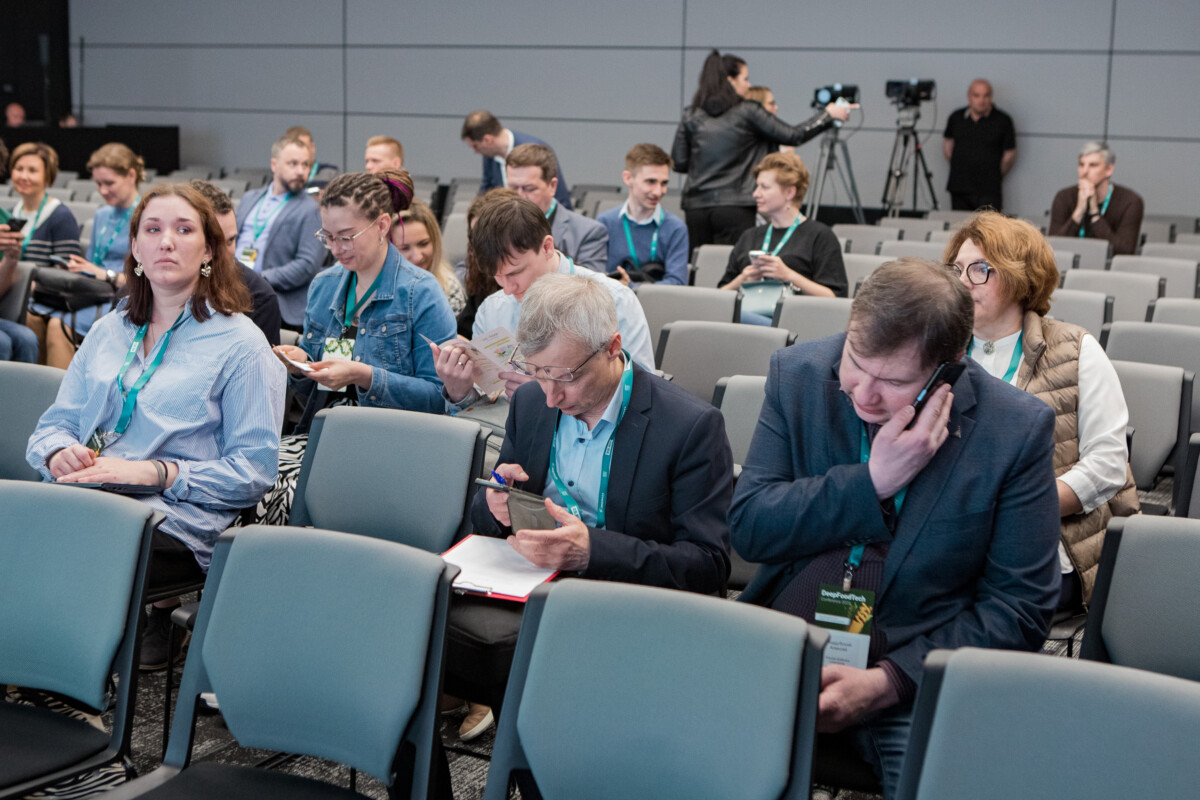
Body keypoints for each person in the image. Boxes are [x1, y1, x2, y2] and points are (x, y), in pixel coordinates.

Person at [730, 259, 1060, 798]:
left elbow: (1019, 608)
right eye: (855, 364)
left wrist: (890, 681)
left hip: (912, 661)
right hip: (787, 638)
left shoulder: (1014, 430)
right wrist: (871, 483)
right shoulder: (799, 375)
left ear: (949, 367)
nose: (864, 394)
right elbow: (750, 528)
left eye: (894, 381)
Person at [454, 272, 733, 742]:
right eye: (538, 372)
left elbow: (708, 565)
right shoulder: (531, 403)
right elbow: (488, 510)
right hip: (535, 589)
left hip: (630, 602)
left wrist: (591, 551)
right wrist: (495, 505)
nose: (551, 395)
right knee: (419, 632)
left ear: (612, 348)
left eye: (566, 376)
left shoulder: (689, 427)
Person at [26, 183, 286, 668]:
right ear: (135, 248)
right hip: (87, 495)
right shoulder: (109, 329)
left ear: (208, 251)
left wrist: (156, 472)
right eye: (153, 229)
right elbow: (53, 426)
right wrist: (58, 452)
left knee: (66, 550)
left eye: (184, 230)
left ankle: (71, 684)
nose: (166, 241)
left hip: (172, 518)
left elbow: (252, 473)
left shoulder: (242, 346)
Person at [945, 211, 1138, 610]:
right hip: (950, 535)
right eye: (956, 270)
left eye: (979, 269)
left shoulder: (1076, 350)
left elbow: (1107, 465)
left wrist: (1018, 508)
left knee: (957, 605)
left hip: (1046, 544)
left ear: (1020, 277)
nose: (963, 282)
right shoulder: (939, 348)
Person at [261, 170, 456, 523]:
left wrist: (364, 376)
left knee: (284, 497)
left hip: (393, 445)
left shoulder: (420, 292)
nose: (336, 249)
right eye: (328, 237)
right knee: (250, 481)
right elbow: (313, 392)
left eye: (347, 237)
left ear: (382, 225)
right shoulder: (324, 285)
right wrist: (301, 366)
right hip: (325, 436)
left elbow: (439, 399)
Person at [431, 194, 654, 413]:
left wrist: (548, 389)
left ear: (547, 247)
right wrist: (461, 393)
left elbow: (640, 394)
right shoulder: (492, 309)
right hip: (507, 429)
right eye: (496, 276)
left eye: (515, 273)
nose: (508, 289)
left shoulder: (615, 299)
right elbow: (485, 409)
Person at [671, 50, 853, 247]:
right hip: (737, 205)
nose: (748, 85)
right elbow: (793, 135)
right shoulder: (748, 110)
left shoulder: (691, 114)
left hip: (696, 206)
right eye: (745, 79)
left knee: (700, 262)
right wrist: (827, 115)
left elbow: (679, 162)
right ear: (731, 80)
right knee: (737, 262)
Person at [21, 143, 141, 368]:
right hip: (94, 292)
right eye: (98, 184)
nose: (103, 191)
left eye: (109, 183)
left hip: (127, 296)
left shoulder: (145, 216)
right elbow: (93, 263)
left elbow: (143, 278)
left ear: (131, 175)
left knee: (58, 324)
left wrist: (105, 274)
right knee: (35, 316)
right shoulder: (102, 214)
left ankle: (56, 388)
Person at [718, 152, 847, 323]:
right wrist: (742, 280)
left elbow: (835, 299)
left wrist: (788, 275)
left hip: (793, 323)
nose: (756, 193)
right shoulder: (749, 236)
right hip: (745, 319)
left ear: (789, 192)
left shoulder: (820, 236)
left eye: (764, 187)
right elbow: (719, 298)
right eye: (757, 186)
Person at [233, 134, 325, 329]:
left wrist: (258, 279)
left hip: (272, 298)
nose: (301, 171)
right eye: (293, 163)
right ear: (274, 165)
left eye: (306, 165)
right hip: (232, 289)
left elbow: (307, 265)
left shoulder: (311, 209)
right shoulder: (250, 198)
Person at [190, 180, 282, 346]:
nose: (225, 254)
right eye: (215, 243)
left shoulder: (258, 297)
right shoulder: (160, 284)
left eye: (231, 241)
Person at [596, 143, 689, 286]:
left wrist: (629, 287)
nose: (658, 191)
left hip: (658, 300)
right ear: (628, 178)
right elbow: (595, 278)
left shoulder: (676, 228)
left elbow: (677, 283)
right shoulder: (604, 223)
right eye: (651, 182)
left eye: (664, 183)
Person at [506, 143, 607, 272]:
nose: (519, 196)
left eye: (529, 188)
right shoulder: (496, 227)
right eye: (513, 188)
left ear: (552, 186)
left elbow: (591, 282)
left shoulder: (588, 232)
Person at [461, 110, 572, 209]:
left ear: (487, 140)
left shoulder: (534, 150)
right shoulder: (490, 155)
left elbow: (560, 197)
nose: (475, 151)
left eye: (475, 146)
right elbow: (486, 192)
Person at [1049, 141, 1144, 256]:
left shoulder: (1130, 202)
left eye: (1093, 165)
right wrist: (1078, 213)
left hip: (1108, 267)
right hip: (1070, 265)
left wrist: (1095, 214)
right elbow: (1051, 249)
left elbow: (1125, 251)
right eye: (1081, 164)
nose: (1084, 172)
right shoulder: (1064, 197)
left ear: (1109, 170)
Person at [942, 79, 1017, 212]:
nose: (981, 100)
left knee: (988, 225)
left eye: (986, 95)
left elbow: (1009, 156)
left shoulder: (1003, 120)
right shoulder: (956, 117)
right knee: (961, 224)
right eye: (976, 95)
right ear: (969, 97)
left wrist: (993, 173)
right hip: (960, 187)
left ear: (991, 97)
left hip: (989, 189)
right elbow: (948, 148)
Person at [393, 199, 467, 316]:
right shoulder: (370, 289)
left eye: (423, 244)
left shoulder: (449, 291)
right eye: (404, 248)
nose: (417, 257)